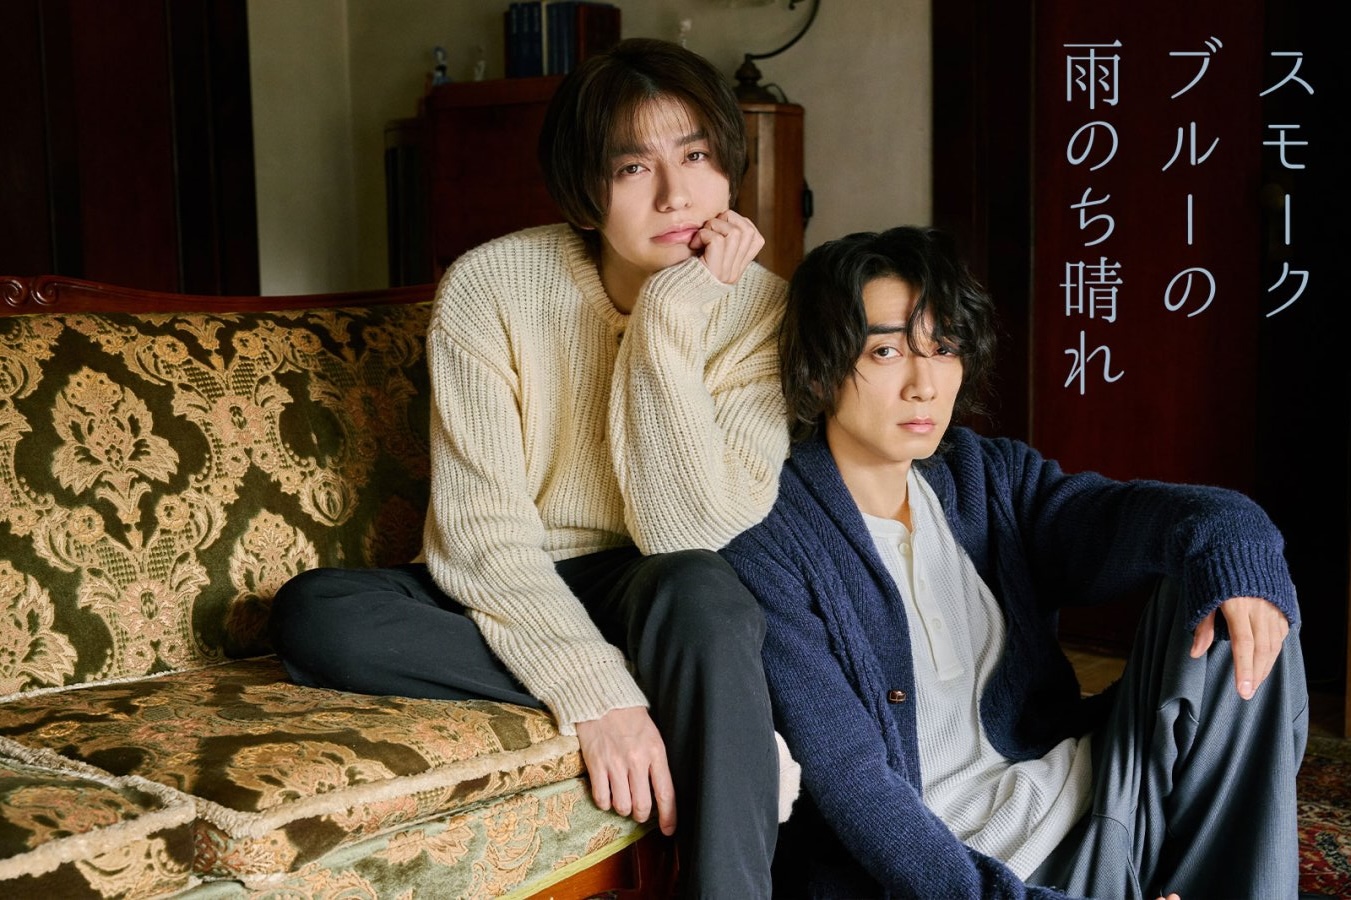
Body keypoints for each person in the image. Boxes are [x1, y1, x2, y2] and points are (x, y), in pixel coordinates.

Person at [269, 38, 796, 898]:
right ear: (585, 192)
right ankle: (690, 700)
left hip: (655, 584)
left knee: (705, 593)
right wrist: (598, 694)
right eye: (634, 168)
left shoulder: (764, 310)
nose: (676, 195)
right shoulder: (492, 285)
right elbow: (481, 535)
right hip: (513, 576)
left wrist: (670, 317)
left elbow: (688, 530)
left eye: (697, 157)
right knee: (316, 613)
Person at [720, 226, 1309, 899]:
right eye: (886, 351)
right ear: (818, 370)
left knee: (1234, 597)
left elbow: (1154, 516)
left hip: (1099, 802)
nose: (923, 384)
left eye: (943, 348)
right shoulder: (769, 535)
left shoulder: (985, 476)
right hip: (978, 878)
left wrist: (1235, 554)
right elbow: (851, 780)